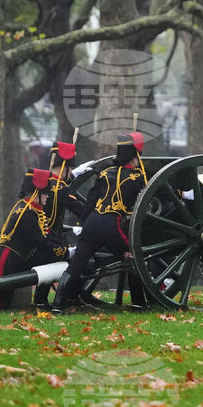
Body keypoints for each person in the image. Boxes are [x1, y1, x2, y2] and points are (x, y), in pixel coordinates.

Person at [52, 132, 148, 313]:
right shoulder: (138, 177)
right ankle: (138, 303)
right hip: (112, 226)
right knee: (133, 257)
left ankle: (58, 304)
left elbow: (90, 202)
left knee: (76, 264)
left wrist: (85, 224)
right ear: (135, 159)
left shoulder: (104, 173)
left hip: (92, 223)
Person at [0, 168, 64, 310]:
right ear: (36, 192)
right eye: (45, 192)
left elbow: (46, 236)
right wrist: (66, 252)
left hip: (11, 261)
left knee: (2, 305)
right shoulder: (26, 214)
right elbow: (41, 242)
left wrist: (64, 247)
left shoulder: (31, 210)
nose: (47, 196)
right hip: (4, 261)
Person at [32, 141, 85, 309]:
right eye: (69, 169)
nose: (71, 174)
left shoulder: (45, 181)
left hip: (39, 237)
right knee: (79, 258)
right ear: (64, 167)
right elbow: (81, 209)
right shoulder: (61, 189)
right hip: (49, 241)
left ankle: (41, 300)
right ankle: (68, 299)